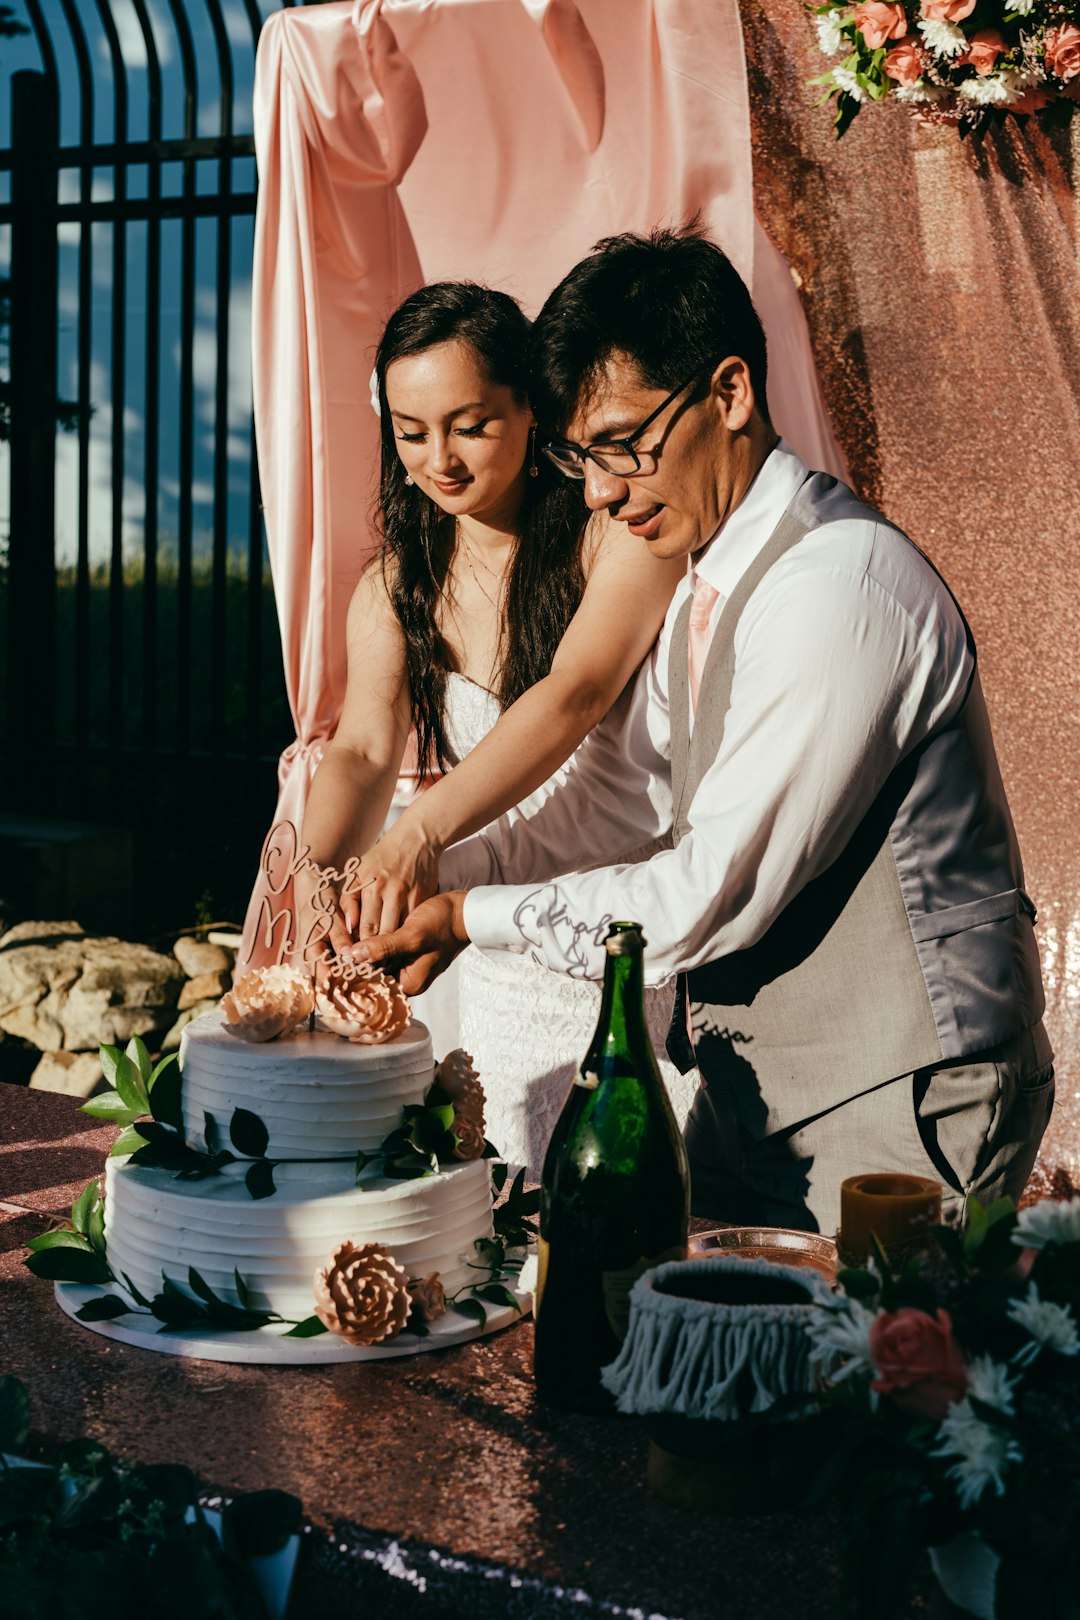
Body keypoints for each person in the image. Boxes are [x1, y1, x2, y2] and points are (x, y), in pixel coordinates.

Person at [357, 226, 1053, 1235]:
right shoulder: (709, 577)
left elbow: (695, 900)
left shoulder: (835, 586)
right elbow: (622, 801)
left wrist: (470, 918)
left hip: (903, 1097)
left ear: (729, 393)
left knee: (858, 1387)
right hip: (757, 1093)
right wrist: (446, 878)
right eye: (577, 454)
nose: (597, 491)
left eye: (622, 442)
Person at [299, 279, 696, 1170]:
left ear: (529, 410)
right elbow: (362, 749)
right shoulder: (396, 581)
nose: (438, 458)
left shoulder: (615, 529)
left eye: (469, 424)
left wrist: (422, 834)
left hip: (621, 920)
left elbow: (575, 693)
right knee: (512, 1196)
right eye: (411, 432)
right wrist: (307, 876)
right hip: (489, 936)